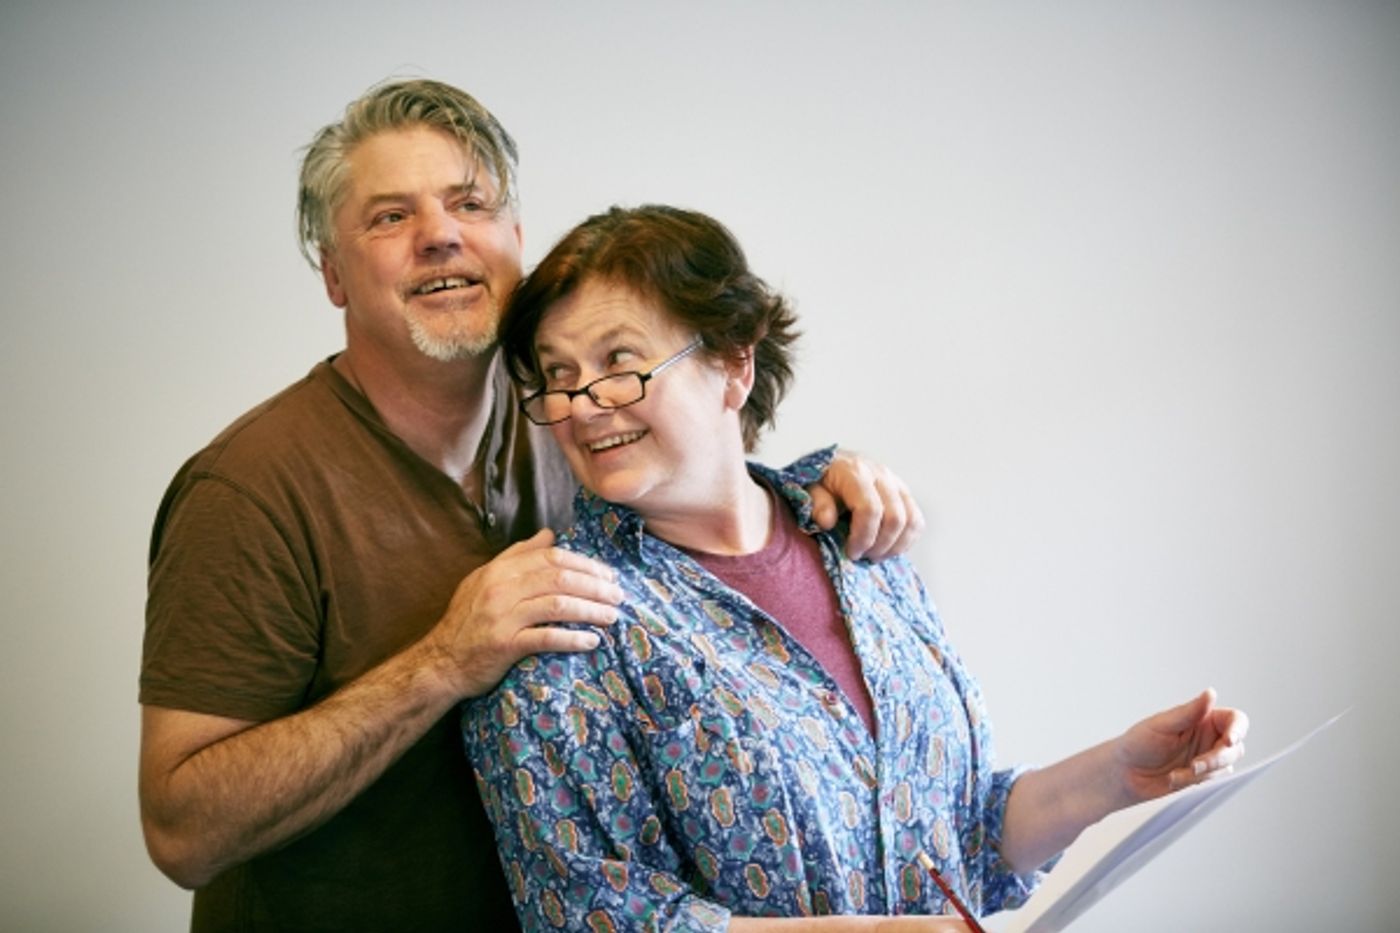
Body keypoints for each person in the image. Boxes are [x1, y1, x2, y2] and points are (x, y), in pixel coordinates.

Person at [138, 81, 923, 932]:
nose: (439, 234)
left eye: (468, 202)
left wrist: (819, 482)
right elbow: (181, 829)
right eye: (389, 217)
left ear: (515, 241)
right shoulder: (250, 493)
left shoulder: (567, 415)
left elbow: (696, 465)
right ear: (333, 272)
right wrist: (441, 660)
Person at [463, 205, 1250, 931]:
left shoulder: (863, 544)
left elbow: (958, 836)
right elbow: (591, 915)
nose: (583, 403)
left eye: (619, 360)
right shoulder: (560, 623)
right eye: (558, 375)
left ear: (735, 363)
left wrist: (1120, 773)